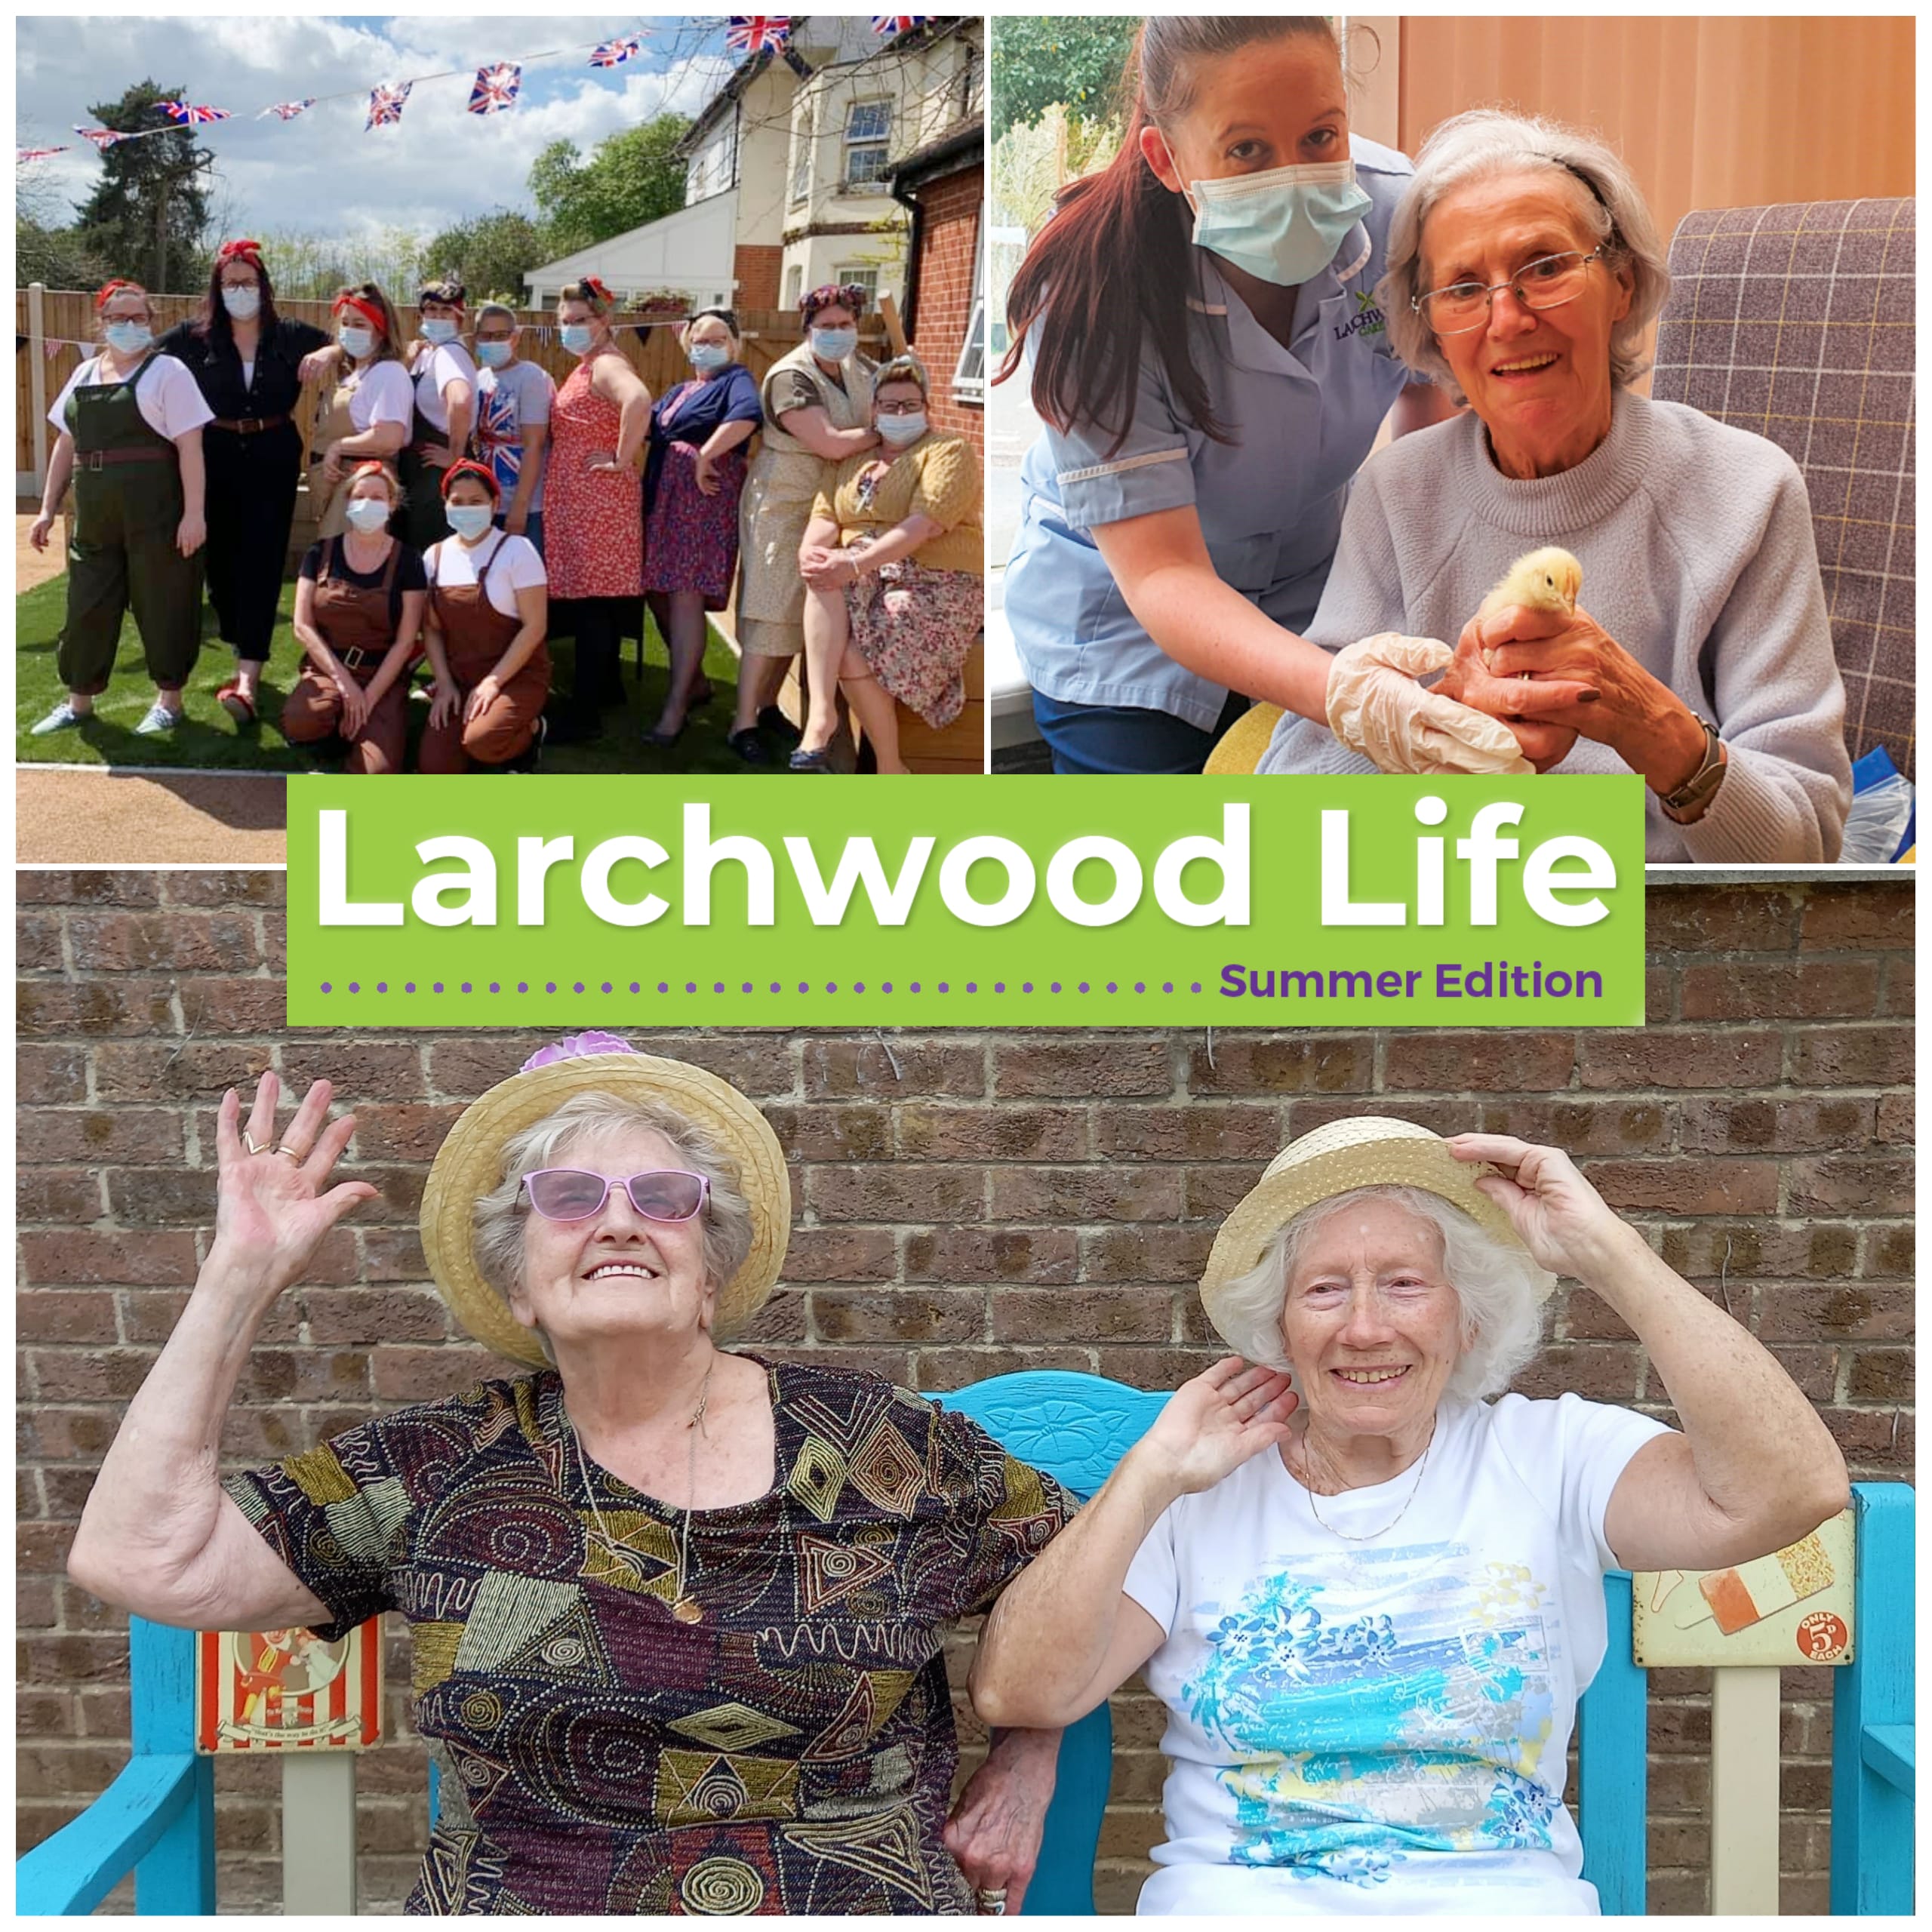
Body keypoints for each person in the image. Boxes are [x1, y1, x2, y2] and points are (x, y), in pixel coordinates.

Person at [67, 1035, 1072, 1915]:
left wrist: (1031, 1755)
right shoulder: (437, 1468)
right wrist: (238, 1276)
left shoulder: (876, 1445)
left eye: (664, 1198)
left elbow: (1095, 1563)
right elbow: (141, 1559)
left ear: (712, 1272)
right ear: (519, 1284)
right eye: (571, 1197)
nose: (621, 1221)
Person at [971, 1116, 1850, 1915]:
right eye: (1322, 1290)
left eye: (1402, 1284)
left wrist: (1604, 1249)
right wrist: (1149, 1473)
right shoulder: (1198, 1489)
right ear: (1277, 1327)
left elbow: (1792, 1490)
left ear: (1467, 1319)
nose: (1362, 1328)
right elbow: (1021, 1691)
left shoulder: (1549, 1456)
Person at [1256, 110, 1854, 862]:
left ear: (1621, 283)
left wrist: (1646, 724)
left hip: (1662, 944)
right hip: (1458, 929)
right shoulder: (1396, 492)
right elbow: (1286, 804)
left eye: (1544, 267)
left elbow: (1807, 851)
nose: (1506, 318)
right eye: (1464, 288)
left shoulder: (1745, 489)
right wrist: (1432, 717)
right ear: (1432, 329)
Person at [1000, 17, 1466, 776]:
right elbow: (1161, 574)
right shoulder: (1091, 290)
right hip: (1125, 626)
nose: (1294, 174)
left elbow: (1428, 400)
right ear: (1168, 158)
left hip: (1311, 590)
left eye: (1321, 137)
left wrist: (1416, 587)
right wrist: (1345, 693)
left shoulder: (1396, 219)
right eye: (1246, 149)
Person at [156, 238, 331, 727]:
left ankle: (248, 678)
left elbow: (355, 343)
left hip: (273, 453)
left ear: (263, 286)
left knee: (262, 559)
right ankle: (239, 634)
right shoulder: (192, 339)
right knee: (221, 569)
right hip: (212, 454)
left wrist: (333, 350)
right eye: (230, 283)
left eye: (247, 282)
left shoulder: (290, 334)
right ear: (218, 287)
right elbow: (145, 365)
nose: (239, 290)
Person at [27, 278, 210, 738]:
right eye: (118, 318)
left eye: (138, 317)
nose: (129, 326)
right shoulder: (84, 374)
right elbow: (65, 445)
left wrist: (194, 514)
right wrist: (47, 508)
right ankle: (79, 701)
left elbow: (191, 448)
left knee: (164, 601)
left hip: (158, 512)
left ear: (152, 321)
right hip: (94, 514)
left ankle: (169, 701)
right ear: (102, 323)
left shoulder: (169, 371)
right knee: (87, 604)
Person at [797, 355, 982, 774]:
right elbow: (825, 514)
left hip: (936, 577)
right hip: (864, 571)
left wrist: (855, 562)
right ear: (874, 412)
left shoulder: (949, 450)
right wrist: (810, 551)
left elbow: (924, 525)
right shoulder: (848, 462)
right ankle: (822, 717)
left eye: (910, 404)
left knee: (859, 642)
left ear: (926, 408)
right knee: (822, 575)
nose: (900, 413)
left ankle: (887, 764)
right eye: (890, 405)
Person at [731, 284, 881, 762]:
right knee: (771, 607)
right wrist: (887, 429)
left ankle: (772, 705)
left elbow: (897, 391)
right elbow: (832, 443)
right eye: (827, 327)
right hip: (785, 500)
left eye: (845, 325)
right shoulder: (790, 377)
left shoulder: (861, 370)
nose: (837, 333)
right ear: (808, 329)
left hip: (835, 502)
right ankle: (743, 722)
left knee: (812, 610)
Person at [641, 309, 762, 749]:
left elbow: (748, 416)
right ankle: (694, 682)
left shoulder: (736, 380)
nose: (707, 346)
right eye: (700, 338)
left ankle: (676, 708)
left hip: (700, 500)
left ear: (735, 344)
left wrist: (706, 456)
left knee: (685, 597)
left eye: (718, 339)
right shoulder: (682, 388)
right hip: (666, 500)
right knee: (659, 591)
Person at [543, 278, 651, 743]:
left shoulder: (606, 363)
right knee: (599, 605)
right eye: (565, 322)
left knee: (592, 606)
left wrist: (620, 460)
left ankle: (584, 712)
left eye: (579, 321)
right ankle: (606, 688)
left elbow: (640, 399)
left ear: (604, 322)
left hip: (598, 502)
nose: (571, 329)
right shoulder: (590, 364)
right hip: (585, 500)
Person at [281, 460, 425, 774]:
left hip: (381, 676)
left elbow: (405, 643)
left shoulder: (409, 561)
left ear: (392, 503)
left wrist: (367, 698)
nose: (367, 504)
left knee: (379, 773)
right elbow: (302, 626)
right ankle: (336, 736)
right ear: (347, 502)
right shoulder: (320, 553)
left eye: (377, 498)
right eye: (360, 496)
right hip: (330, 671)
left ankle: (365, 732)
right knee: (301, 721)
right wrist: (346, 687)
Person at [419, 460, 549, 774]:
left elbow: (535, 627)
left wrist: (493, 681)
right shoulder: (433, 556)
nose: (466, 509)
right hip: (461, 679)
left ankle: (532, 732)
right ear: (446, 505)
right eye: (458, 502)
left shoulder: (518, 550)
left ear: (494, 504)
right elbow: (431, 629)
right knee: (435, 768)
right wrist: (444, 683)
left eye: (476, 501)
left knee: (482, 742)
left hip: (516, 677)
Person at [308, 285, 413, 543]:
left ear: (381, 330)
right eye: (345, 323)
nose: (349, 330)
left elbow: (389, 439)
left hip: (362, 489)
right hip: (336, 487)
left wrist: (338, 447)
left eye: (360, 324)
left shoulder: (389, 373)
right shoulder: (354, 374)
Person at [397, 278, 479, 552]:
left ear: (460, 318)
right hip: (417, 469)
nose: (438, 316)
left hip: (434, 471)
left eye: (446, 311)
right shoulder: (428, 353)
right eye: (432, 309)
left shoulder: (449, 354)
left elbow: (461, 400)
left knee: (429, 554)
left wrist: (455, 457)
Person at [470, 301, 554, 556]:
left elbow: (535, 444)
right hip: (488, 502)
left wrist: (520, 506)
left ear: (515, 338)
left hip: (524, 505)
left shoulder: (531, 377)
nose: (493, 341)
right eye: (486, 336)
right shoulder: (480, 378)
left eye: (501, 335)